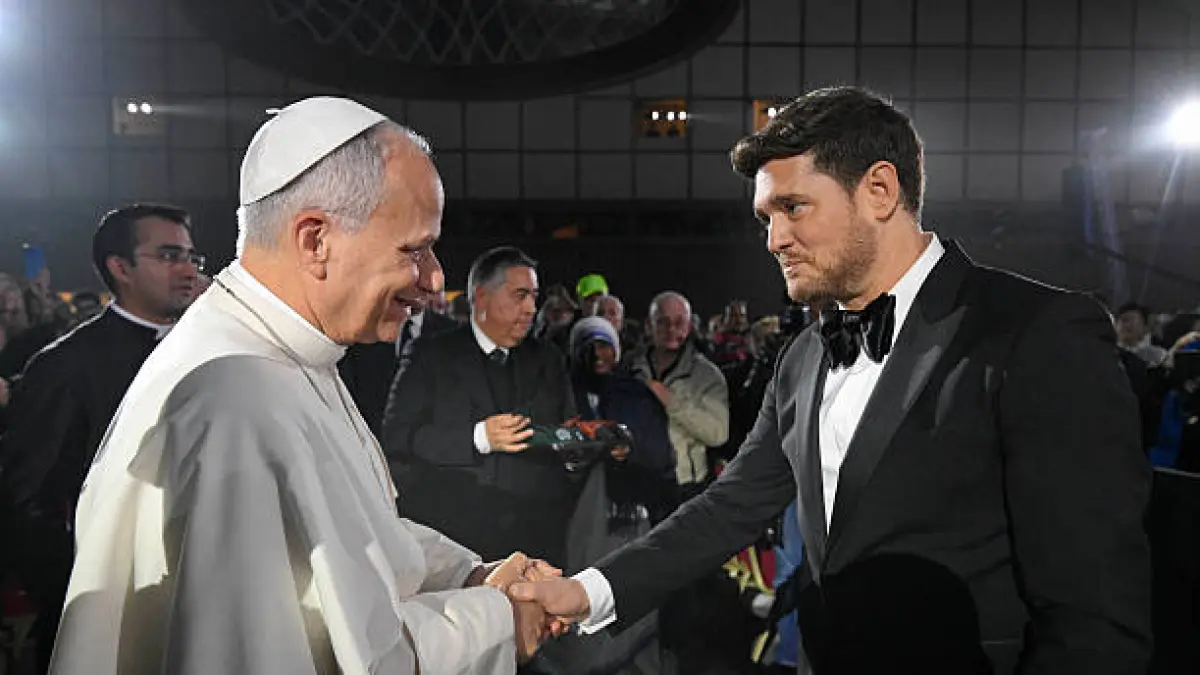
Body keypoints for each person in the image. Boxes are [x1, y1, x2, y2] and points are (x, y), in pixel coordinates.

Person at [511, 87, 1152, 675]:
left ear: (879, 191)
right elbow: (730, 507)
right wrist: (587, 591)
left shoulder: (1036, 332)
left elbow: (1094, 615)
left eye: (792, 207)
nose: (774, 239)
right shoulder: (803, 356)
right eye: (765, 218)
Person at [48, 97, 551, 675]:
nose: (435, 278)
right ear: (315, 240)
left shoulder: (292, 353)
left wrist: (469, 575)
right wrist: (497, 618)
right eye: (414, 249)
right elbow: (317, 656)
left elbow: (355, 533)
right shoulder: (234, 401)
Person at [0, 204, 201, 674]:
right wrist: (79, 592)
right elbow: (26, 499)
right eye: (169, 255)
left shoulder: (210, 350)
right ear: (120, 268)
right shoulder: (65, 365)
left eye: (192, 256)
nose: (187, 269)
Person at [383, 246, 578, 567]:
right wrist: (479, 437)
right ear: (482, 297)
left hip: (538, 543)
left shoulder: (548, 359)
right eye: (520, 295)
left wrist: (587, 445)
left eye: (534, 296)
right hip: (457, 545)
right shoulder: (431, 355)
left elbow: (568, 430)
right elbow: (399, 437)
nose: (531, 308)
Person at [626, 291, 729, 502]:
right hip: (638, 483)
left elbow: (718, 433)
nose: (671, 329)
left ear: (689, 327)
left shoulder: (706, 375)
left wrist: (671, 402)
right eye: (663, 322)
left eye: (679, 322)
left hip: (686, 486)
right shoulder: (630, 368)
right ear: (649, 326)